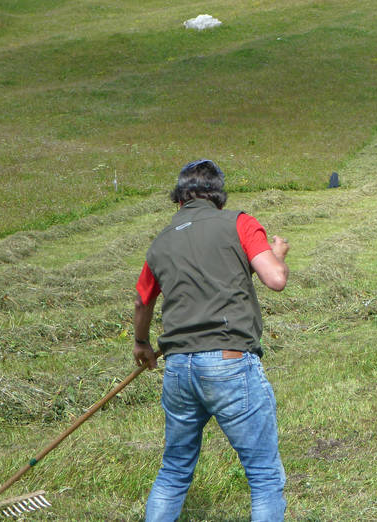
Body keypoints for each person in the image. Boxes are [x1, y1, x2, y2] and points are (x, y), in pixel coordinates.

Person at [133, 159, 290, 521]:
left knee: (173, 471)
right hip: (230, 362)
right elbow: (275, 279)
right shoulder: (239, 223)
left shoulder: (160, 243)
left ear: (179, 200)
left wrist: (141, 343)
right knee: (264, 476)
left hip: (179, 368)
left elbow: (143, 301)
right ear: (218, 196)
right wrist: (277, 255)